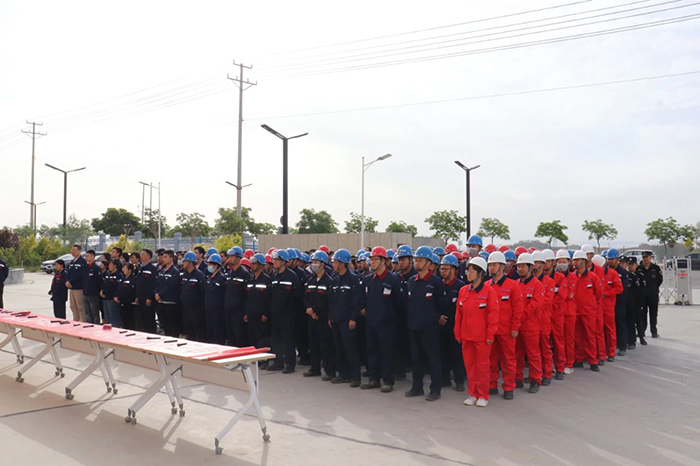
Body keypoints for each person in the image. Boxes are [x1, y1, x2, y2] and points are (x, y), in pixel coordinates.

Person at [455, 257, 499, 408]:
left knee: (482, 367)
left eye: (471, 271)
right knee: (470, 366)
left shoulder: (489, 292)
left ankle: (483, 395)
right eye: (467, 271)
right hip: (466, 336)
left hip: (482, 337)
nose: (468, 274)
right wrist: (457, 332)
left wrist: (490, 334)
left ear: (480, 273)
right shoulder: (463, 291)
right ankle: (472, 394)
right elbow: (458, 314)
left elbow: (493, 315)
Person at [405, 246, 445, 401]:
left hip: (430, 329)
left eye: (421, 260)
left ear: (429, 264)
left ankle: (435, 390)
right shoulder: (411, 281)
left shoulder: (436, 282)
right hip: (414, 327)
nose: (417, 263)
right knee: (416, 359)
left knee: (433, 359)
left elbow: (441, 305)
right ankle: (417, 387)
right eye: (416, 260)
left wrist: (437, 317)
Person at [361, 246, 402, 393]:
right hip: (371, 322)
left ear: (384, 261)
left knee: (387, 353)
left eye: (375, 259)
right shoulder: (368, 280)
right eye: (371, 259)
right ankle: (374, 378)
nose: (372, 262)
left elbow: (399, 303)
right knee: (372, 351)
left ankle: (388, 380)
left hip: (387, 324)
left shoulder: (393, 280)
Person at [486, 251, 523, 400]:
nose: (491, 268)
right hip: (491, 330)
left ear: (502, 266)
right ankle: (492, 385)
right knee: (491, 359)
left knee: (508, 360)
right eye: (490, 265)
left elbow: (518, 309)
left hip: (506, 330)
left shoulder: (513, 286)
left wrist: (515, 327)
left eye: (494, 265)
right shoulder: (486, 286)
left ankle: (508, 387)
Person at [329, 248, 363, 387]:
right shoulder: (335, 278)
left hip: (347, 320)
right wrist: (330, 317)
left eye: (335, 262)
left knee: (350, 349)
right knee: (339, 348)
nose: (333, 264)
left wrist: (353, 318)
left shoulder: (353, 279)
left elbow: (357, 301)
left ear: (342, 263)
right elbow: (332, 301)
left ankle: (355, 376)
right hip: (336, 319)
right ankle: (343, 374)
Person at [303, 251, 336, 380]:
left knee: (326, 345)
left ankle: (329, 370)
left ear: (323, 264)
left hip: (323, 317)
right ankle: (314, 368)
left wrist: (314, 309)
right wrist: (309, 309)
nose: (313, 264)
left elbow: (327, 300)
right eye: (312, 262)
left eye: (316, 262)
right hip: (311, 317)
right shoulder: (310, 280)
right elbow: (306, 297)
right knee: (313, 343)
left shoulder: (329, 281)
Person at [268, 249, 302, 374]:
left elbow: (298, 296)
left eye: (277, 260)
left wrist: (291, 310)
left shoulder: (292, 276)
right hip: (275, 314)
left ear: (284, 262)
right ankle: (278, 362)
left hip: (287, 315)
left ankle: (290, 364)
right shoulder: (274, 275)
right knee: (275, 339)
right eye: (274, 260)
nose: (274, 262)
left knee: (288, 340)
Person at [514, 253, 544, 393]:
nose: (520, 269)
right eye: (518, 266)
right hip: (517, 326)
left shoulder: (538, 285)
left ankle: (535, 380)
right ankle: (518, 378)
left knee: (533, 354)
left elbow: (534, 305)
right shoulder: (515, 284)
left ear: (530, 268)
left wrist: (519, 317)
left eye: (523, 266)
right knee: (517, 353)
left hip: (531, 326)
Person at [438, 254, 466, 392]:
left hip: (455, 325)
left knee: (457, 354)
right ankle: (445, 379)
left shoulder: (461, 286)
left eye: (446, 269)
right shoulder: (438, 284)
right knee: (442, 352)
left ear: (454, 269)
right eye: (441, 269)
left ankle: (459, 380)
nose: (443, 271)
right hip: (441, 325)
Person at [572, 250, 603, 371]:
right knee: (577, 337)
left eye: (577, 260)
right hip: (575, 312)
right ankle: (578, 359)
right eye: (574, 260)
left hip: (589, 312)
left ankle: (592, 361)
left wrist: (590, 306)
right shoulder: (572, 277)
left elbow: (599, 294)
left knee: (590, 336)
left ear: (584, 261)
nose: (575, 262)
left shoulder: (593, 277)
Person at [543, 249, 567, 380]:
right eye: (543, 261)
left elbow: (561, 296)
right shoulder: (539, 278)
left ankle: (560, 368)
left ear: (553, 262)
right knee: (544, 344)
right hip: (543, 316)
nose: (545, 264)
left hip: (556, 315)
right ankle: (544, 370)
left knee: (558, 342)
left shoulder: (560, 278)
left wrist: (548, 305)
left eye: (547, 261)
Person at [532, 251, 555, 386]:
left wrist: (533, 304)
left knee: (545, 347)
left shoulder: (549, 282)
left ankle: (547, 373)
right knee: (533, 350)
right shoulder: (528, 281)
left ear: (542, 264)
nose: (534, 265)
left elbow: (547, 300)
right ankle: (535, 374)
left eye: (537, 263)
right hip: (531, 320)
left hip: (543, 319)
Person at [244, 254, 272, 364]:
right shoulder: (250, 279)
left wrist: (266, 314)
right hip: (251, 314)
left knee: (262, 338)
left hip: (261, 315)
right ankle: (255, 359)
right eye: (252, 263)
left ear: (261, 265)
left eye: (255, 263)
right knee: (252, 337)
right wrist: (246, 313)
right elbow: (247, 298)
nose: (252, 265)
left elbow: (268, 299)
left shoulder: (266, 280)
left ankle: (263, 361)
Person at [555, 249, 578, 375]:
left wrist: (559, 294)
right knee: (558, 340)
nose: (562, 264)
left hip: (569, 312)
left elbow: (568, 295)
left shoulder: (573, 277)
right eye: (560, 261)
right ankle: (559, 363)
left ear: (569, 262)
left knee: (569, 339)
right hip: (557, 312)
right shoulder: (554, 276)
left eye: (564, 261)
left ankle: (569, 363)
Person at [395, 244, 415, 381]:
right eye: (399, 259)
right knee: (398, 345)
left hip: (412, 317)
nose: (400, 262)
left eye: (403, 259)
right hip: (398, 317)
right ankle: (400, 370)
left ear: (410, 260)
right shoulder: (396, 277)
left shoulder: (415, 277)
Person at [224, 247, 250, 347]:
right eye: (229, 256)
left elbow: (247, 295)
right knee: (231, 336)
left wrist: (246, 312)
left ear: (238, 258)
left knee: (240, 336)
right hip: (228, 310)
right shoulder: (229, 273)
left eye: (232, 256)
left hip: (239, 311)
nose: (230, 258)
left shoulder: (244, 274)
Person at [180, 251, 207, 341]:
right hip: (186, 308)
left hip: (196, 309)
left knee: (199, 331)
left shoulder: (199, 275)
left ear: (190, 262)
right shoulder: (184, 275)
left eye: (185, 261)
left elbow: (203, 292)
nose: (183, 263)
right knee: (188, 331)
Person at [601, 251, 623, 362]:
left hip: (608, 306)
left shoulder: (612, 274)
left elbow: (619, 288)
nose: (609, 261)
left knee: (610, 330)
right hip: (597, 307)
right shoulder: (595, 273)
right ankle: (601, 352)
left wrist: (607, 293)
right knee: (599, 331)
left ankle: (611, 352)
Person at [154, 250, 182, 338]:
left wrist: (160, 294)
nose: (163, 259)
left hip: (170, 303)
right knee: (164, 326)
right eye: (163, 257)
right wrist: (156, 293)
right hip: (161, 302)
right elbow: (157, 283)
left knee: (172, 328)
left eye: (166, 257)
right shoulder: (162, 270)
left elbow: (171, 286)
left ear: (171, 258)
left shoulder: (175, 272)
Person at [637, 251, 663, 338]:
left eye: (647, 257)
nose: (645, 259)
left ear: (650, 258)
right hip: (642, 296)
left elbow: (660, 280)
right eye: (644, 257)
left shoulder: (656, 268)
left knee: (653, 314)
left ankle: (654, 331)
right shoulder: (639, 268)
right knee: (642, 314)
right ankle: (642, 331)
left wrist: (653, 287)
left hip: (653, 295)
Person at [204, 253, 227, 345]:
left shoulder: (221, 278)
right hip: (208, 309)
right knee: (210, 332)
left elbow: (223, 294)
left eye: (210, 264)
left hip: (217, 310)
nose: (209, 266)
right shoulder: (209, 278)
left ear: (216, 265)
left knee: (218, 332)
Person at [134, 249, 158, 333]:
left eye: (143, 254)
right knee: (141, 319)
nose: (141, 256)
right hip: (140, 297)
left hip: (147, 298)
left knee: (149, 319)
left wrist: (150, 297)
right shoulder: (141, 268)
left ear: (148, 256)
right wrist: (137, 296)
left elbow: (153, 284)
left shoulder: (152, 269)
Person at [610, 250, 629, 356]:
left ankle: (622, 345)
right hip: (609, 302)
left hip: (620, 301)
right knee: (611, 324)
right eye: (609, 259)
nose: (610, 261)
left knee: (620, 322)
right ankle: (614, 344)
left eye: (612, 259)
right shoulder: (606, 271)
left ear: (617, 260)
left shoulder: (623, 273)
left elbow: (622, 288)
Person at [626, 257, 646, 347]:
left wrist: (642, 302)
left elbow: (643, 289)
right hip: (629, 302)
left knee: (639, 321)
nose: (630, 266)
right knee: (630, 322)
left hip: (638, 301)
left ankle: (641, 337)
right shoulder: (626, 275)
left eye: (632, 264)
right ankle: (631, 339)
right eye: (629, 264)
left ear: (636, 265)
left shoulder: (640, 275)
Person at [65, 244, 87, 322]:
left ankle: (82, 321)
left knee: (80, 306)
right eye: (72, 250)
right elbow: (68, 273)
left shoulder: (82, 262)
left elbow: (80, 274)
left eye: (74, 250)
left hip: (78, 287)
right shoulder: (71, 262)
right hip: (71, 288)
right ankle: (75, 320)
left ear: (79, 251)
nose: (72, 252)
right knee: (73, 306)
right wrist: (67, 281)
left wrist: (71, 281)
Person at [82, 250, 103, 324]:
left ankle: (96, 326)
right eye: (85, 256)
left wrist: (96, 291)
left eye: (87, 256)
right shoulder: (86, 267)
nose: (86, 258)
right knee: (88, 313)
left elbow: (99, 281)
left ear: (93, 257)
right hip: (85, 292)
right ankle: (89, 325)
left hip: (93, 294)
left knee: (94, 313)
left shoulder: (96, 268)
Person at [100, 259, 123, 326]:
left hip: (112, 299)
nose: (109, 266)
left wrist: (115, 295)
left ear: (115, 266)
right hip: (105, 298)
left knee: (114, 317)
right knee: (107, 317)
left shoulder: (118, 275)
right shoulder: (108, 274)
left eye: (110, 264)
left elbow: (118, 287)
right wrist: (102, 291)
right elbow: (104, 284)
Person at [115, 263, 137, 330]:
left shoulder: (133, 279)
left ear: (130, 270)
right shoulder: (123, 279)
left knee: (130, 322)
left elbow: (129, 291)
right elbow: (118, 289)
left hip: (129, 304)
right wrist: (116, 296)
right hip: (121, 303)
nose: (123, 270)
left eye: (125, 268)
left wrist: (121, 298)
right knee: (123, 321)